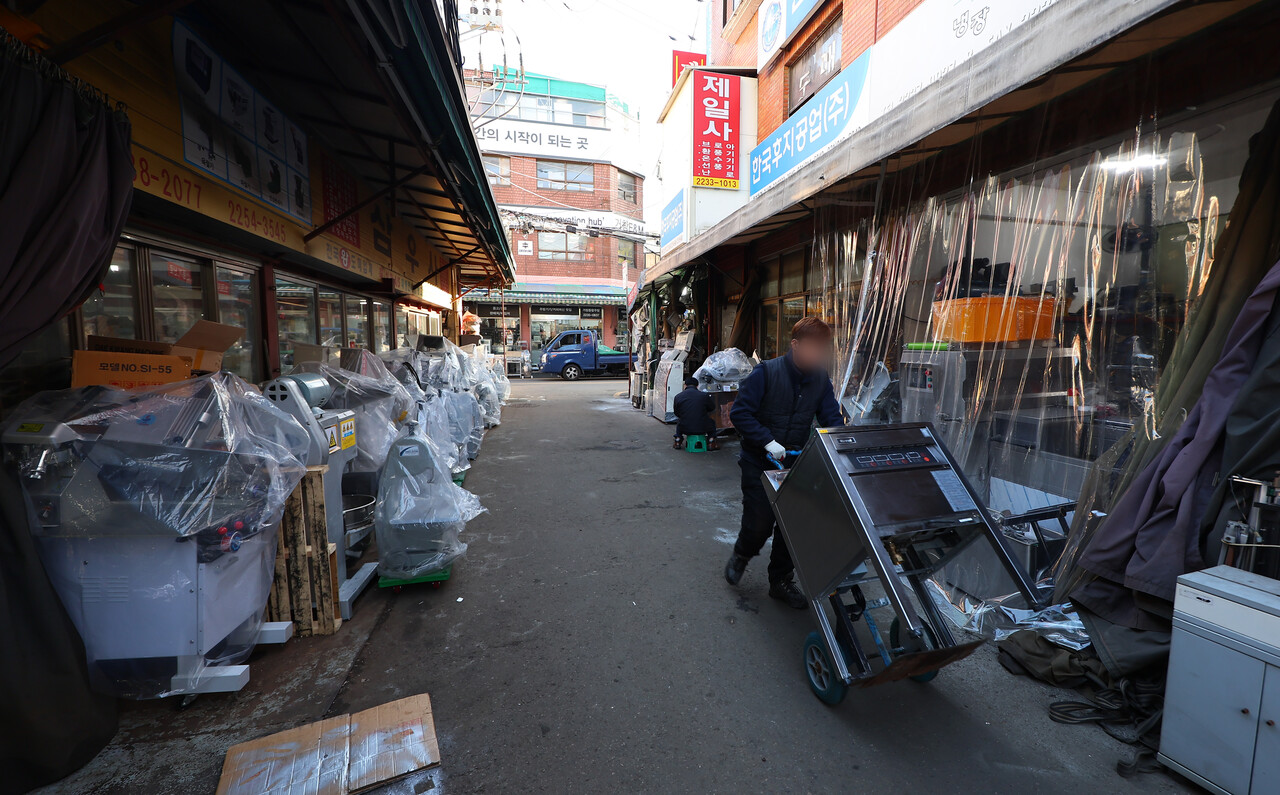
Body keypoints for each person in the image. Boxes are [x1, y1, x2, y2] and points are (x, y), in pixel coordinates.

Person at [724, 317, 843, 609]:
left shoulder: (819, 380)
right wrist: (766, 441)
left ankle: (780, 581)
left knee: (793, 527)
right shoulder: (766, 373)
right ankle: (742, 553)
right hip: (759, 460)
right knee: (759, 523)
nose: (817, 355)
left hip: (796, 463)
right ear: (795, 345)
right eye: (813, 348)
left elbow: (831, 418)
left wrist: (842, 443)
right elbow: (740, 413)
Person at [672, 375, 719, 450]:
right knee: (711, 422)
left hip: (685, 428)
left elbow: (677, 413)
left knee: (680, 422)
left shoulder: (678, 396)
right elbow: (712, 408)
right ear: (697, 386)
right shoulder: (704, 396)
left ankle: (678, 440)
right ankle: (711, 442)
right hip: (703, 427)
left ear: (685, 385)